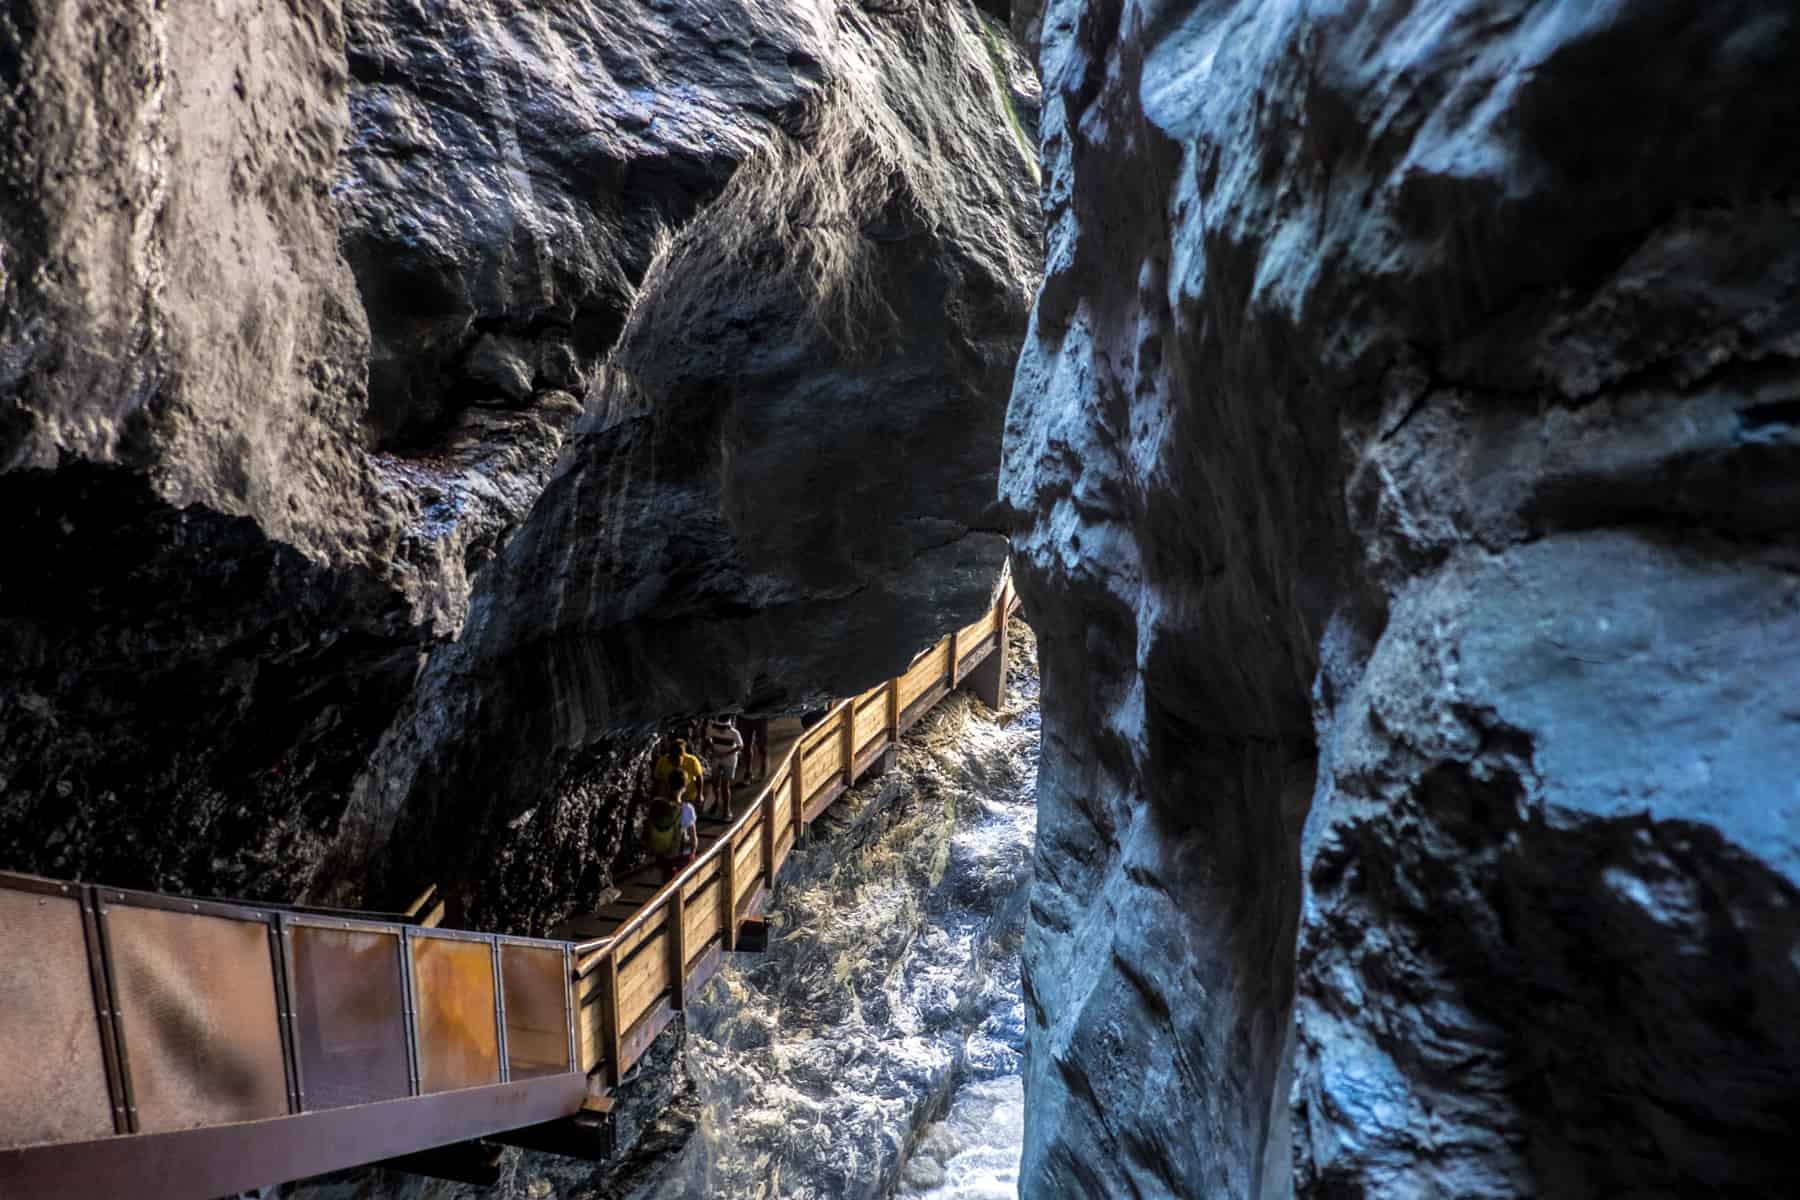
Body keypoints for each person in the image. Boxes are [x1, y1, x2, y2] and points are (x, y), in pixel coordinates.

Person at [643, 787, 698, 882]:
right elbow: (693, 838)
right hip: (681, 855)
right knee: (682, 882)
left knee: (667, 879)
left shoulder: (659, 805)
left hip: (663, 853)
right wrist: (693, 853)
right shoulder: (687, 808)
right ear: (684, 787)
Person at [703, 716, 744, 815]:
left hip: (729, 759)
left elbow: (740, 746)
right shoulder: (711, 728)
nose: (720, 730)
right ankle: (716, 801)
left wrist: (727, 754)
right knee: (715, 783)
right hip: (716, 757)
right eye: (719, 728)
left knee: (725, 785)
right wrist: (713, 749)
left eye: (722, 728)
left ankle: (727, 808)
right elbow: (707, 739)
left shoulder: (734, 733)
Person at [653, 736, 705, 807]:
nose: (675, 763)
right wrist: (659, 797)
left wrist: (699, 794)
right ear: (669, 756)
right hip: (669, 798)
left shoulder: (692, 761)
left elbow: (699, 777)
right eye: (672, 760)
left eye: (677, 760)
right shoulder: (662, 762)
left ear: (683, 755)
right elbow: (658, 779)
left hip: (689, 797)